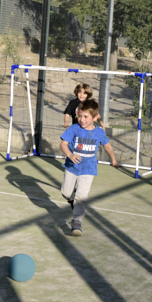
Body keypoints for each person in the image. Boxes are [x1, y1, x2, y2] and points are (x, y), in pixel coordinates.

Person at [59, 98, 118, 237]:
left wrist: (113, 159)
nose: (82, 119)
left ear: (95, 117)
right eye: (80, 116)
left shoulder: (99, 132)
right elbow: (63, 144)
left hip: (88, 169)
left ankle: (77, 221)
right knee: (66, 193)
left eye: (86, 116)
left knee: (82, 196)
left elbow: (108, 146)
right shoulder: (73, 128)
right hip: (71, 167)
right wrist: (70, 155)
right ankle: (71, 200)